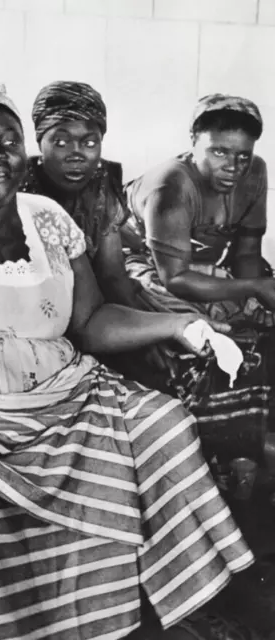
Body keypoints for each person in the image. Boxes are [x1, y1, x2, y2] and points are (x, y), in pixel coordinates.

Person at [0, 84, 256, 640]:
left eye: (8, 141)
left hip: (62, 388)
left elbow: (91, 321)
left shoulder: (47, 218)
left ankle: (101, 619)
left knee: (162, 425)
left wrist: (181, 325)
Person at [123, 94, 275, 463]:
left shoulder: (255, 171)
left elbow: (247, 254)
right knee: (199, 330)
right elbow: (175, 279)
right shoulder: (170, 185)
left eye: (242, 155)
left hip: (210, 267)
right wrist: (253, 290)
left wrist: (255, 300)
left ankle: (256, 433)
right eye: (220, 152)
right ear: (193, 140)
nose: (234, 166)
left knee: (259, 323)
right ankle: (223, 446)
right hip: (149, 267)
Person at [21, 80, 172, 385]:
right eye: (61, 142)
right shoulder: (18, 188)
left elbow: (113, 274)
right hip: (33, 318)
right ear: (40, 142)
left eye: (89, 142)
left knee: (156, 369)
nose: (77, 154)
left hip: (96, 310)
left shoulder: (101, 183)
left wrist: (145, 336)